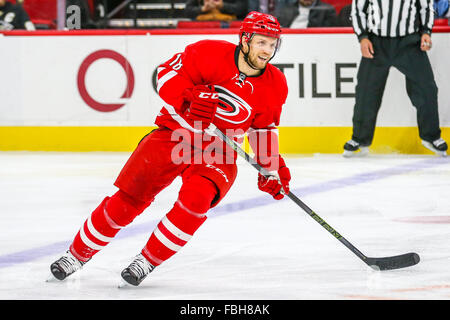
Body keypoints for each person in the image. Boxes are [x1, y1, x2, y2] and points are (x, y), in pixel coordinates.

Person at [48, 11, 291, 287]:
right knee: (128, 199)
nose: (267, 51)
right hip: (175, 134)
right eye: (261, 43)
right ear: (245, 40)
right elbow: (165, 73)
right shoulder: (208, 52)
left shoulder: (275, 84)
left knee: (196, 202)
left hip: (218, 152)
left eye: (273, 44)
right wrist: (187, 97)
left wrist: (271, 169)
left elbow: (263, 129)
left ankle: (146, 261)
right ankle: (76, 255)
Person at [343, 0, 448, 157]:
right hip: (376, 42)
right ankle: (360, 138)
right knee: (366, 92)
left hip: (409, 42)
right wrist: (363, 37)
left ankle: (431, 136)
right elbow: (358, 10)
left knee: (427, 89)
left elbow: (426, 8)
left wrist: (426, 31)